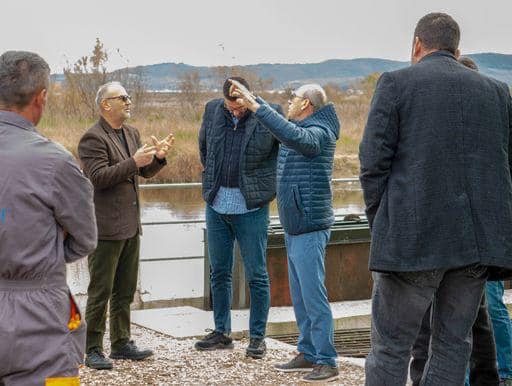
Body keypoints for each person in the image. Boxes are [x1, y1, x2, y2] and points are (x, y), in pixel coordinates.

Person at [359, 12, 512, 385]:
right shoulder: (496, 92)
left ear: (416, 45)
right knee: (452, 344)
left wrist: (385, 220)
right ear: (457, 49)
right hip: (474, 247)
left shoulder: (396, 83)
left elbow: (372, 162)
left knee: (391, 348)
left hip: (412, 241)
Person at [230, 80, 341, 383]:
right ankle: (307, 352)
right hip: (295, 226)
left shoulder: (318, 132)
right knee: (301, 296)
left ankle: (327, 360)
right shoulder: (300, 128)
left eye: (293, 98)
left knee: (313, 295)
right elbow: (285, 129)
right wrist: (253, 99)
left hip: (310, 225)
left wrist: (256, 107)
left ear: (307, 104)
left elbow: (294, 136)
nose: (289, 101)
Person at [410, 56, 509, 386]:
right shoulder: (485, 121)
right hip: (473, 242)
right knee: (475, 318)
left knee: (458, 319)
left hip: (460, 242)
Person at [0, 51, 97, 385]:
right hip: (37, 315)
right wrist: (49, 247)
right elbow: (84, 238)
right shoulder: (54, 162)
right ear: (40, 98)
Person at [78, 81, 172, 370]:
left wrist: (158, 158)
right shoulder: (92, 138)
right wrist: (133, 162)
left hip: (131, 226)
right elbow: (99, 178)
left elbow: (142, 171)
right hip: (106, 228)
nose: (129, 101)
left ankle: (121, 343)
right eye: (123, 97)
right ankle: (92, 348)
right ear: (106, 104)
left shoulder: (131, 133)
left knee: (125, 289)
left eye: (129, 97)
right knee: (100, 290)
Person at [195, 77, 282, 359]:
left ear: (248, 97)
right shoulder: (212, 110)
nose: (235, 111)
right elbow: (204, 147)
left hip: (252, 207)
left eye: (240, 106)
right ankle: (222, 332)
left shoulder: (269, 113)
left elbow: (280, 153)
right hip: (217, 204)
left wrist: (266, 185)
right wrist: (213, 178)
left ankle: (257, 337)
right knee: (219, 272)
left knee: (257, 275)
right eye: (230, 107)